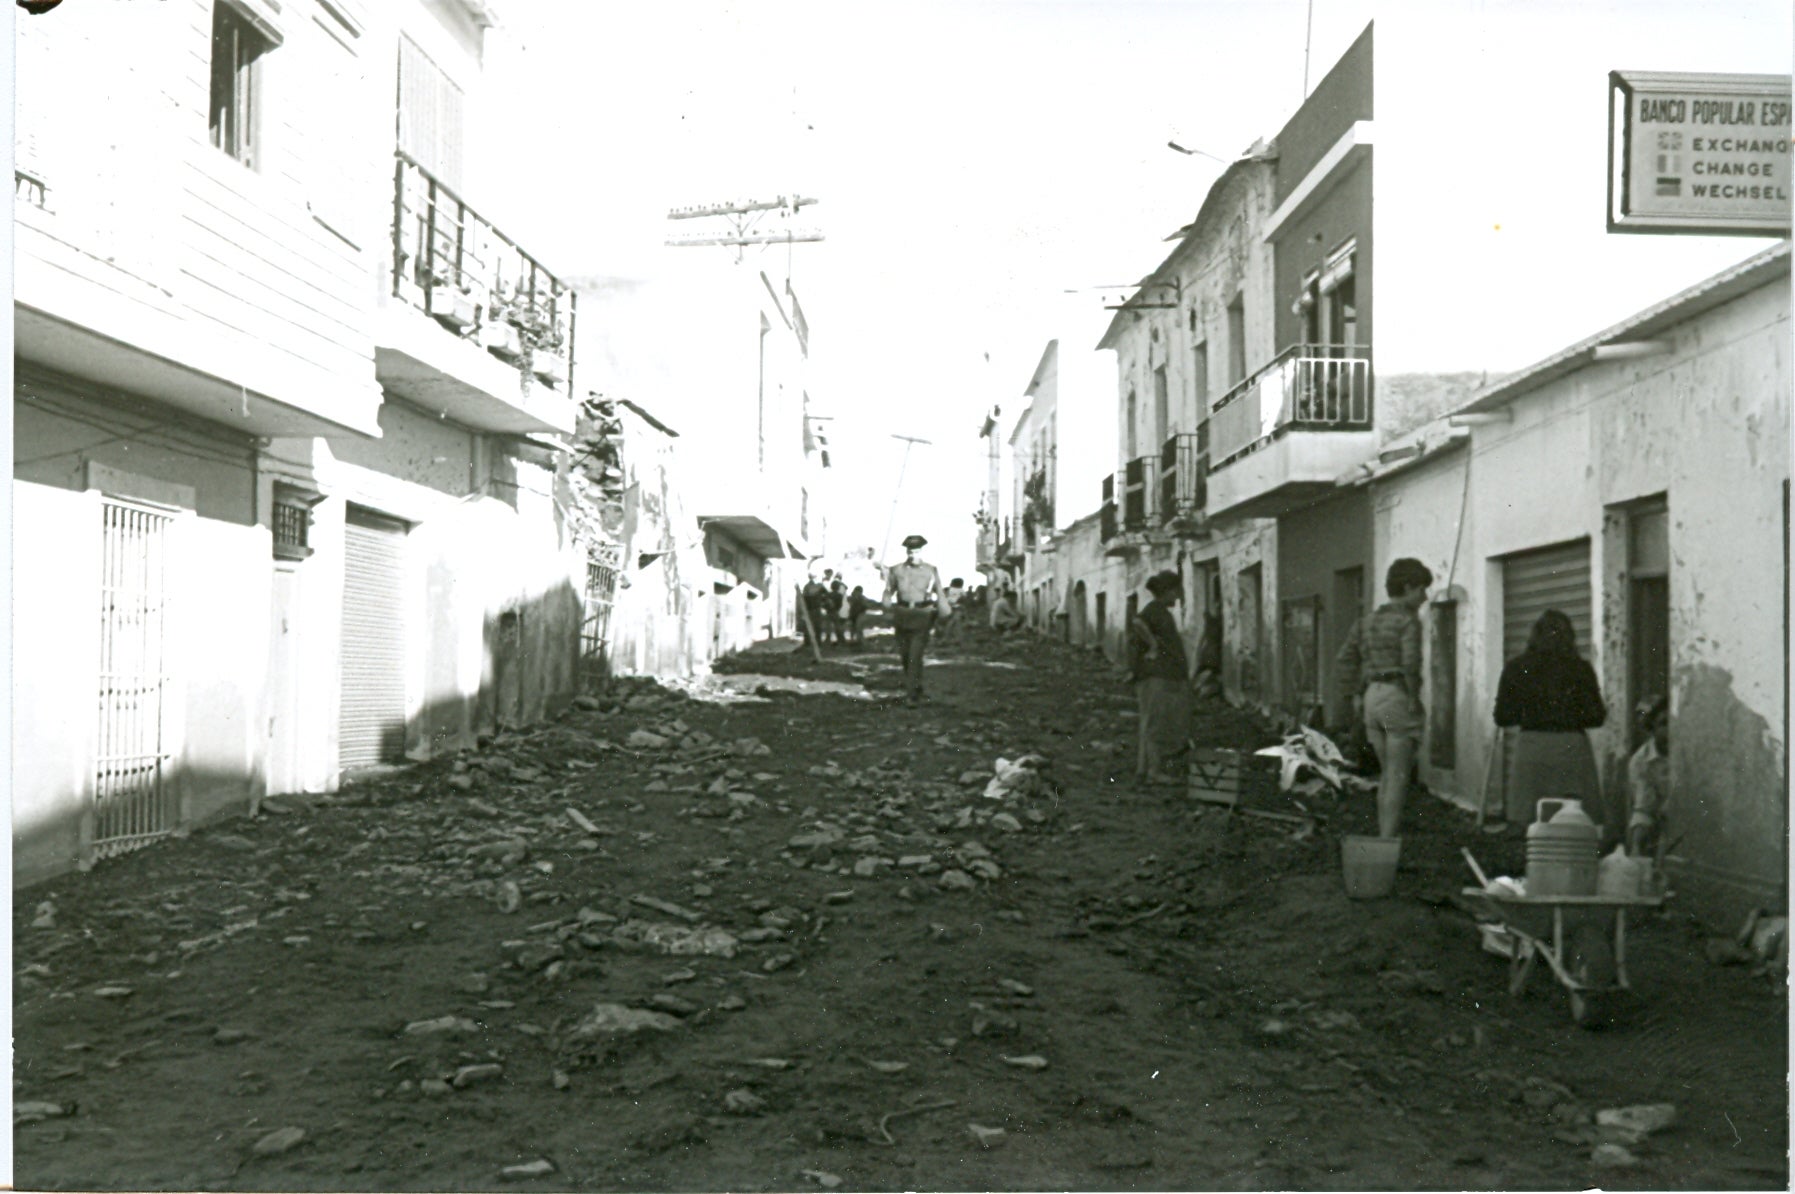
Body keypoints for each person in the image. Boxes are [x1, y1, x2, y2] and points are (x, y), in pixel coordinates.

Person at [1336, 557, 1434, 839]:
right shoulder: (1408, 621)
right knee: (1398, 776)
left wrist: (1354, 694)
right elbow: (1411, 664)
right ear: (1407, 587)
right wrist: (1414, 698)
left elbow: (1345, 659)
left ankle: (1383, 836)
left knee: (1386, 775)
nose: (1424, 597)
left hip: (1371, 698)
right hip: (1395, 695)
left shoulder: (1366, 621)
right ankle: (1387, 842)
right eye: (1420, 590)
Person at [1491, 608, 1607, 833]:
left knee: (1530, 822)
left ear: (1533, 636)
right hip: (1571, 748)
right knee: (1576, 819)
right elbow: (1596, 717)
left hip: (1531, 748)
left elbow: (1502, 716)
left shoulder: (1516, 667)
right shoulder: (1581, 669)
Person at [1128, 571, 1191, 788]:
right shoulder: (1155, 609)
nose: (1178, 596)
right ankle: (1154, 771)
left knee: (1151, 723)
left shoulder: (1161, 611)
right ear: (1167, 591)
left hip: (1160, 676)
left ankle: (1144, 770)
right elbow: (1137, 622)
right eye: (1176, 591)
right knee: (1155, 724)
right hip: (1155, 676)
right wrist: (1153, 646)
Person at [882, 534, 946, 703]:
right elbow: (888, 592)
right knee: (905, 656)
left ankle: (911, 695)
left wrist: (944, 615)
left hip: (922, 615)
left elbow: (939, 593)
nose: (913, 555)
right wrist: (887, 609)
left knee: (915, 655)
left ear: (921, 551)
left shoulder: (931, 571)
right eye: (910, 552)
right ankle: (917, 688)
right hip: (902, 615)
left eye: (916, 552)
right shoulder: (896, 570)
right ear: (906, 552)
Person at [1626, 696, 1670, 857]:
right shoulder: (1641, 761)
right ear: (1652, 728)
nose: (1669, 731)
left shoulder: (1691, 752)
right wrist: (1636, 846)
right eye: (1663, 724)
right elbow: (1644, 809)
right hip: (1662, 827)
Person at [827, 578, 848, 645]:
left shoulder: (829, 594)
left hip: (829, 611)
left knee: (829, 626)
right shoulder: (839, 595)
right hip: (835, 611)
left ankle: (828, 639)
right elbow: (840, 604)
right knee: (837, 626)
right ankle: (841, 640)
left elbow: (825, 603)